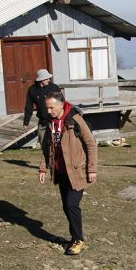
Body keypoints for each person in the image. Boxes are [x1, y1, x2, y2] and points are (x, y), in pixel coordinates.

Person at [38, 91, 98, 256]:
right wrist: (43, 168)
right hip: (60, 171)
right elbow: (47, 147)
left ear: (61, 104)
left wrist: (91, 169)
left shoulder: (74, 119)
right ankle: (75, 237)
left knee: (72, 205)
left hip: (77, 171)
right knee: (66, 206)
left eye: (51, 108)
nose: (48, 111)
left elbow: (90, 144)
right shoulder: (50, 122)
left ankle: (79, 240)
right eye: (47, 108)